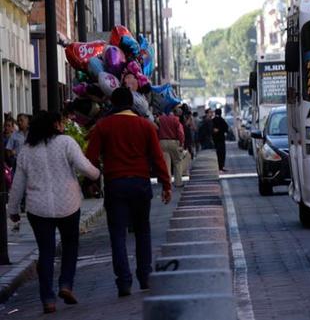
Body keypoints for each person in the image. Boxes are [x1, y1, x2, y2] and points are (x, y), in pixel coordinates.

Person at [8, 111, 101, 314]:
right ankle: (66, 284)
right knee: (70, 244)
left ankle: (48, 299)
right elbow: (86, 168)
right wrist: (97, 174)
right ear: (55, 125)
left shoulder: (26, 150)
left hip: (38, 208)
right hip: (68, 204)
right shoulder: (66, 143)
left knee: (46, 251)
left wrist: (13, 210)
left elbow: (17, 184)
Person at [85, 88, 172, 297]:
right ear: (132, 103)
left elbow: (91, 157)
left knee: (117, 234)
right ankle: (144, 276)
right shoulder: (146, 126)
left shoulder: (103, 126)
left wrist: (92, 182)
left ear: (112, 104)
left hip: (115, 184)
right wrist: (166, 184)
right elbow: (158, 157)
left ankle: (123, 282)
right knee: (142, 231)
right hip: (141, 184)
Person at [158, 108, 186, 188]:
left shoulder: (160, 119)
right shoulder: (175, 119)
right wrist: (181, 143)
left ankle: (167, 183)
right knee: (177, 162)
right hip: (174, 142)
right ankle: (178, 182)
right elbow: (180, 133)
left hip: (162, 142)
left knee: (166, 163)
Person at [212, 108, 229, 172]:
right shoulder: (222, 120)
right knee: (222, 154)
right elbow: (226, 129)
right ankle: (221, 166)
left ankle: (216, 166)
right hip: (221, 139)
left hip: (214, 140)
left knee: (216, 154)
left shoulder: (213, 120)